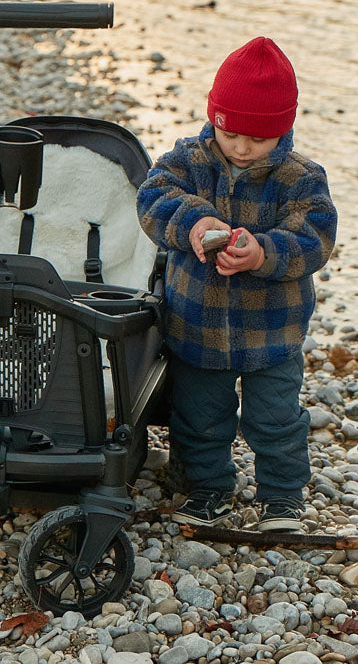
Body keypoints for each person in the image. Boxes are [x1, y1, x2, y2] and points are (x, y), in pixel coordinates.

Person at [137, 37, 337, 531]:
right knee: (199, 419)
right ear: (214, 118)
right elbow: (151, 199)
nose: (243, 148)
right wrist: (196, 224)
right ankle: (207, 489)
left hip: (273, 332)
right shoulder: (188, 160)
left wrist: (263, 252)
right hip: (196, 327)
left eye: (259, 138)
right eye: (231, 134)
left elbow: (315, 239)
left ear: (283, 130)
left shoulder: (301, 178)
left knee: (277, 420)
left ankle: (283, 498)